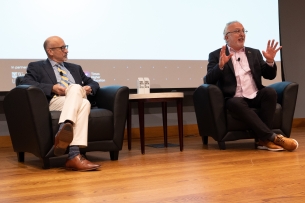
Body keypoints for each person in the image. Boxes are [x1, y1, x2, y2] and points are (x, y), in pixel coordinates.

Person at [205, 21, 298, 151]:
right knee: (236, 103)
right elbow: (208, 80)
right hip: (234, 98)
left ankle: (263, 140)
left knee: (269, 92)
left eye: (243, 31)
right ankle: (271, 137)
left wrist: (270, 61)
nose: (242, 34)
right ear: (227, 37)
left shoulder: (254, 53)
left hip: (255, 94)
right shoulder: (216, 55)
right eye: (237, 31)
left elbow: (269, 75)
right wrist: (220, 66)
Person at [21, 36, 101, 171]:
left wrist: (89, 88)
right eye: (62, 48)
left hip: (73, 100)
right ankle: (74, 153)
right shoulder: (36, 66)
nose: (66, 51)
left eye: (66, 47)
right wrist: (51, 88)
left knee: (80, 97)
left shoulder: (75, 68)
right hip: (55, 100)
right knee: (80, 96)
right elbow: (26, 83)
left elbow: (93, 83)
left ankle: (71, 151)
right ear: (50, 51)